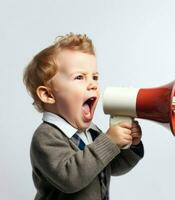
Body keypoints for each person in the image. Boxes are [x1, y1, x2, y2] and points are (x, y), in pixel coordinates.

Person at [23, 33, 144, 200]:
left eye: (95, 77)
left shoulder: (91, 132)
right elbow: (70, 178)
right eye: (79, 77)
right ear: (48, 95)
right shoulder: (46, 137)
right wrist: (109, 142)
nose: (93, 84)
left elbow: (112, 166)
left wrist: (129, 145)